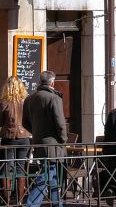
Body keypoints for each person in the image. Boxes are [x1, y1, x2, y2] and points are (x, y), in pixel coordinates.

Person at [23, 71, 67, 207]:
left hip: (38, 143)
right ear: (52, 82)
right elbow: (60, 123)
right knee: (47, 175)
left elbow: (25, 123)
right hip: (53, 145)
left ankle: (57, 203)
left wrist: (36, 133)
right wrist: (63, 139)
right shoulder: (54, 99)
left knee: (51, 174)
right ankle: (30, 204)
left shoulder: (29, 99)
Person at [0, 76, 31, 203]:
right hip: (24, 138)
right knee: (21, 168)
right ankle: (20, 201)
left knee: (7, 169)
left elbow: (0, 122)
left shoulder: (4, 102)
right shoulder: (26, 101)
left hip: (8, 138)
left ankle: (6, 201)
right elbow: (30, 120)